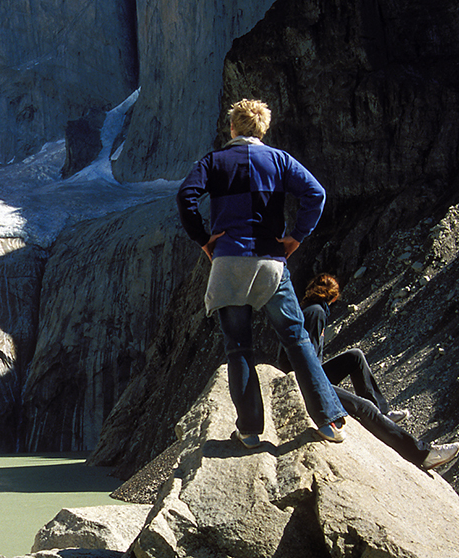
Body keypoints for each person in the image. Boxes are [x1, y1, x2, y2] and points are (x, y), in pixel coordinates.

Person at [177, 98, 347, 447]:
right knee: (297, 340)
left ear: (233, 128)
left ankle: (250, 430)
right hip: (271, 262)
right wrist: (296, 236)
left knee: (238, 349)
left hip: (228, 264)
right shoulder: (280, 160)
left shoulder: (214, 162)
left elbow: (185, 197)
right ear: (263, 129)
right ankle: (328, 421)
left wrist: (203, 239)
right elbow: (316, 193)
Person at [291, 273, 459, 471]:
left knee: (355, 356)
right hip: (306, 378)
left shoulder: (311, 310)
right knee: (364, 407)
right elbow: (303, 356)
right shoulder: (316, 313)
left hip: (309, 372)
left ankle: (384, 412)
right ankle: (423, 454)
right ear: (335, 296)